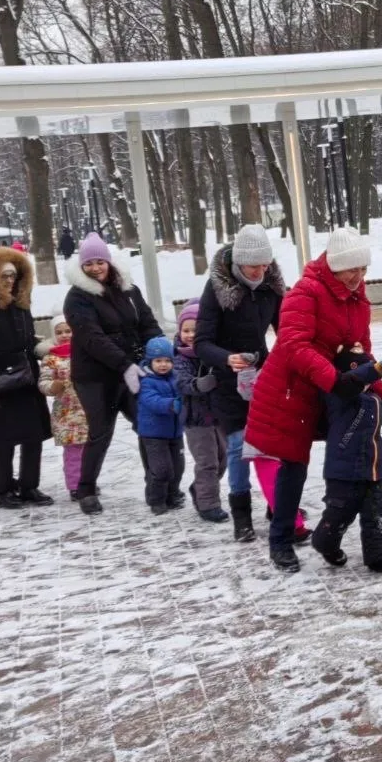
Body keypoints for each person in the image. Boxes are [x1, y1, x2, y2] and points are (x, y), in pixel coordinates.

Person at [245, 226, 382, 573]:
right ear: (335, 266)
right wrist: (336, 380)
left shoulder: (358, 296)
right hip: (292, 390)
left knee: (363, 459)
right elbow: (294, 345)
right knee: (293, 467)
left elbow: (360, 351)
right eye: (352, 269)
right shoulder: (305, 292)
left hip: (332, 389)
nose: (358, 276)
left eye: (363, 269)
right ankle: (280, 540)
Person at [194, 225, 285, 542]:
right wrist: (226, 358)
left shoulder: (271, 285)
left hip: (262, 375)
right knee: (238, 447)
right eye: (253, 266)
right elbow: (201, 343)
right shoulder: (217, 288)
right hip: (227, 381)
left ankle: (279, 506)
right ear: (237, 263)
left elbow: (286, 330)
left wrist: (285, 358)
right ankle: (242, 517)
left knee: (273, 443)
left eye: (265, 264)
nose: (260, 271)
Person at [64, 233, 163, 514]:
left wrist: (156, 351)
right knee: (100, 432)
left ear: (109, 262)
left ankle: (156, 484)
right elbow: (92, 338)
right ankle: (86, 489)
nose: (95, 268)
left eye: (100, 262)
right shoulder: (77, 298)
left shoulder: (128, 290)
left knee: (148, 425)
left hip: (132, 368)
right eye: (89, 263)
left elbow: (146, 322)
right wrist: (124, 364)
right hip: (95, 376)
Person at [310, 344, 382, 574]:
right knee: (339, 514)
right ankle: (324, 541)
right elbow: (349, 382)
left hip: (373, 471)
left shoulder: (371, 401)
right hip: (343, 473)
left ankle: (380, 556)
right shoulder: (335, 397)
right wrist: (375, 369)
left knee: (376, 515)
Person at [0, 247, 54, 510]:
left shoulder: (20, 304)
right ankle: (2, 489)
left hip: (26, 379)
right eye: (3, 276)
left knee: (33, 437)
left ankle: (29, 486)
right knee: (3, 441)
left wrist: (39, 349)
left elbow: (25, 340)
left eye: (13, 276)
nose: (9, 281)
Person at [172, 300, 230, 524]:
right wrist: (198, 384)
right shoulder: (181, 357)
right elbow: (181, 381)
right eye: (186, 330)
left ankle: (199, 488)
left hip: (217, 417)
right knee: (207, 463)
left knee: (223, 460)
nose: (190, 335)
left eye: (195, 330)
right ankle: (208, 504)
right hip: (196, 420)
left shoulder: (212, 353)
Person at [38, 315, 88, 500]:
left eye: (68, 331)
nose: (64, 335)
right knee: (73, 452)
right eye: (59, 332)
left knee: (89, 451)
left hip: (87, 411)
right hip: (66, 414)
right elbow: (44, 382)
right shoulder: (51, 359)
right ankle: (75, 486)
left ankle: (88, 481)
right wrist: (53, 386)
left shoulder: (84, 352)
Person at [137, 336, 186, 514]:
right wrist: (171, 404)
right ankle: (156, 499)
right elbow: (151, 401)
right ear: (150, 361)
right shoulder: (146, 381)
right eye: (158, 361)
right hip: (153, 435)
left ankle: (172, 495)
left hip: (175, 433)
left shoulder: (176, 378)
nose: (163, 364)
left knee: (178, 468)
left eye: (167, 360)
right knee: (161, 469)